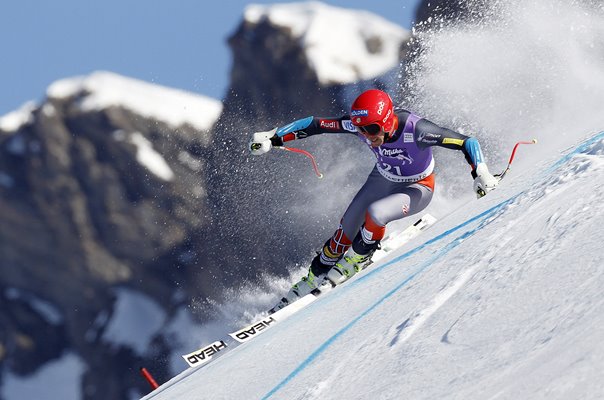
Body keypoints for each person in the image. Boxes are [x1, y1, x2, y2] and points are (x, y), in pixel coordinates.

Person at [249, 89, 499, 312]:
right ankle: (315, 275)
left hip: (418, 187)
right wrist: (273, 136)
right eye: (360, 130)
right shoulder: (363, 125)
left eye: (371, 130)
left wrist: (481, 173)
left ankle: (359, 257)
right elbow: (316, 124)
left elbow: (467, 142)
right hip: (382, 178)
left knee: (377, 213)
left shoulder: (417, 130)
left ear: (387, 121)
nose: (367, 136)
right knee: (346, 228)